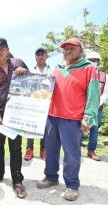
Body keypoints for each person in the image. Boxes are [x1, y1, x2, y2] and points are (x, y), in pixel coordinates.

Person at [36, 38, 99, 201]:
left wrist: (89, 117)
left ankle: (72, 185)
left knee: (71, 153)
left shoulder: (89, 69)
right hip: (52, 116)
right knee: (50, 149)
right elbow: (42, 87)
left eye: (72, 48)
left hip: (72, 119)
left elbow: (93, 96)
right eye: (65, 48)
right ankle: (51, 177)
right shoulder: (56, 69)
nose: (68, 50)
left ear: (80, 50)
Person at [0, 38, 28, 199]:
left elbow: (32, 82)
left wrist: (24, 72)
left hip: (16, 115)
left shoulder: (18, 62)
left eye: (2, 49)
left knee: (15, 148)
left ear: (8, 50)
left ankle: (17, 180)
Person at [24, 47, 52, 161]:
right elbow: (25, 86)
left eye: (42, 54)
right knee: (31, 126)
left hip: (47, 104)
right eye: (38, 54)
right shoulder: (30, 70)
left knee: (45, 128)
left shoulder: (53, 70)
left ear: (46, 56)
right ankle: (29, 149)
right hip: (33, 103)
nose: (40, 56)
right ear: (35, 57)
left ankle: (43, 149)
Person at [85, 51, 107, 161]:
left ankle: (91, 151)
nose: (93, 62)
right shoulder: (82, 73)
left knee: (94, 130)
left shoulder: (105, 76)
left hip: (97, 108)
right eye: (90, 60)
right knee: (78, 129)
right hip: (82, 107)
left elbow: (105, 93)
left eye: (95, 60)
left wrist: (95, 104)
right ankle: (74, 151)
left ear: (98, 62)